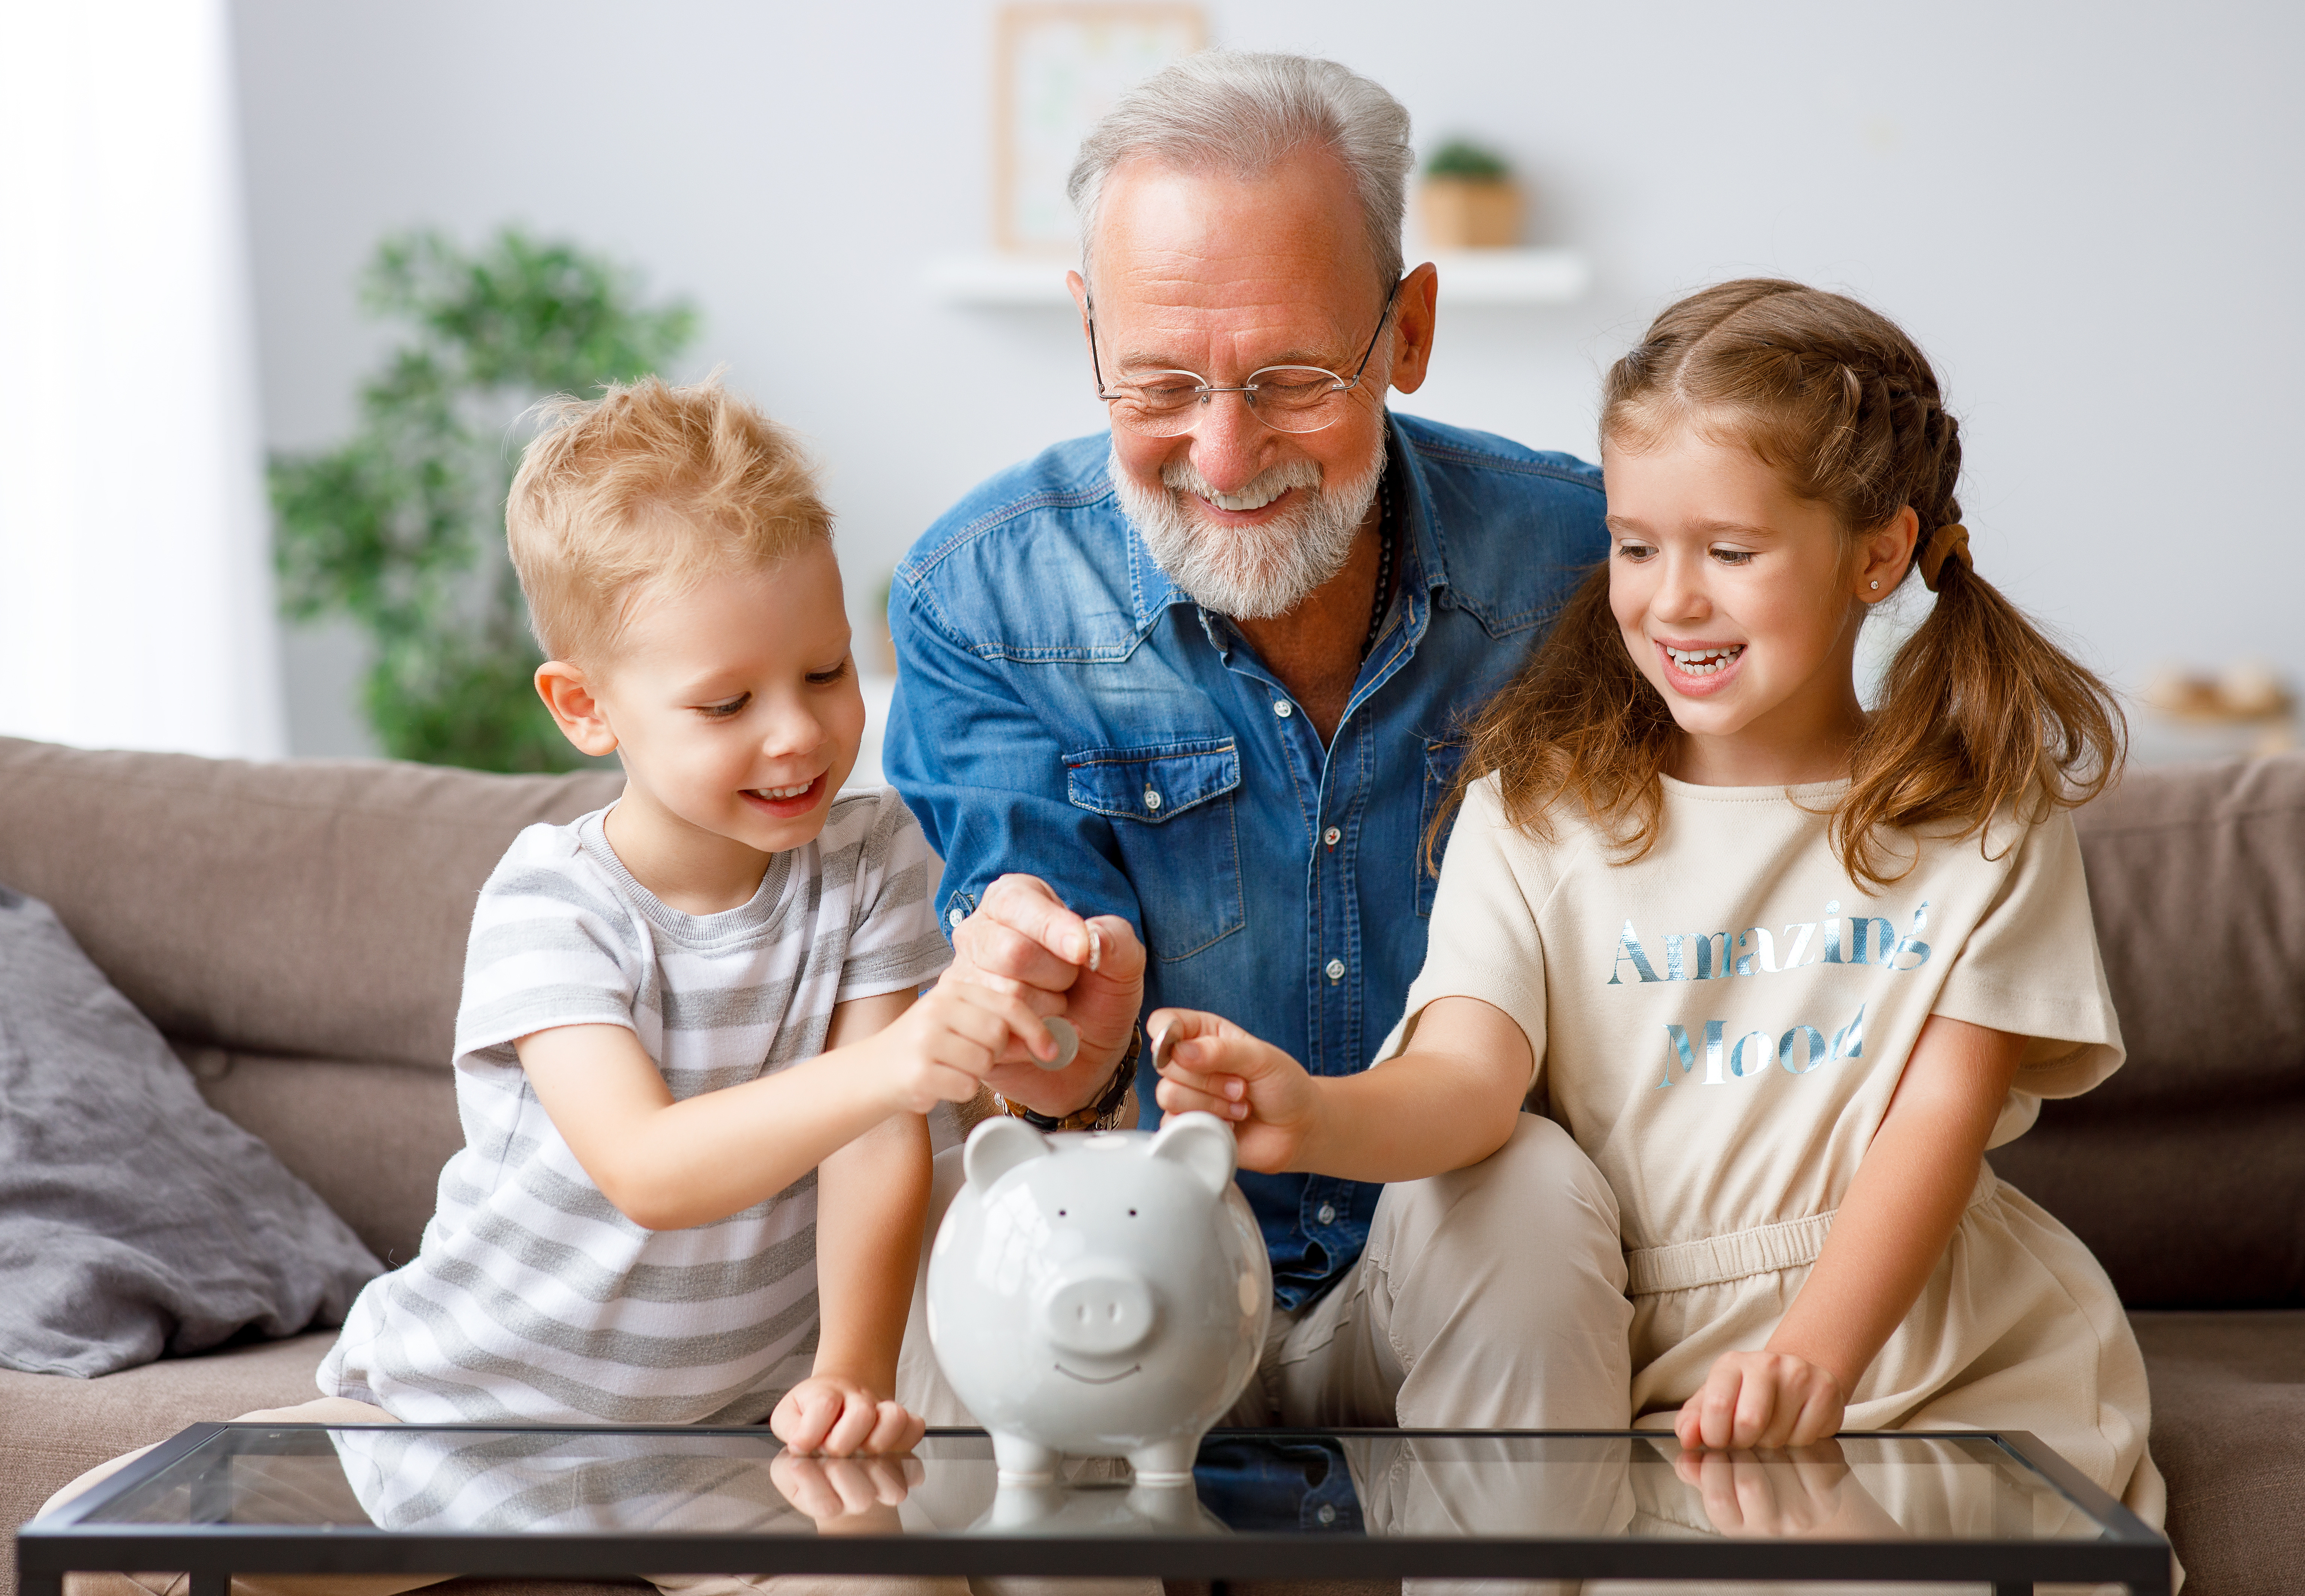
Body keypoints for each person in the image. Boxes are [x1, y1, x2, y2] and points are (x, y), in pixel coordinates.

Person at [1158, 279, 2171, 1548]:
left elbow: (1939, 1116)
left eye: (1729, 552)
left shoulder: (1977, 818)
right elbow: (1471, 1082)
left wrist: (1815, 1351)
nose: (1671, 599)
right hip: (1636, 1362)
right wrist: (1313, 1110)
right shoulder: (1540, 811)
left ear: (1877, 551)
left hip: (1920, 1348)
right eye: (1637, 545)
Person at [43, 377, 1056, 1583]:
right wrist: (889, 1067)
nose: (796, 734)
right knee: (102, 1530)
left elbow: (871, 1148)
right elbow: (647, 1166)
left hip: (729, 1455)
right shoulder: (552, 902)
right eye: (727, 701)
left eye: (827, 673)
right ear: (585, 706)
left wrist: (850, 1369)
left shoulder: (877, 862)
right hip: (456, 1426)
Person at [884, 50, 1633, 1446]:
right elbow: (1042, 1053)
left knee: (1527, 1187)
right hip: (1138, 1230)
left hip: (1450, 1240)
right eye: (1159, 383)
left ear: (1405, 332)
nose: (1224, 459)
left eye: (1290, 379)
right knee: (975, 1230)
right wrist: (1070, 1055)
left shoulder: (1584, 566)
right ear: (1087, 332)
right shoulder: (978, 597)